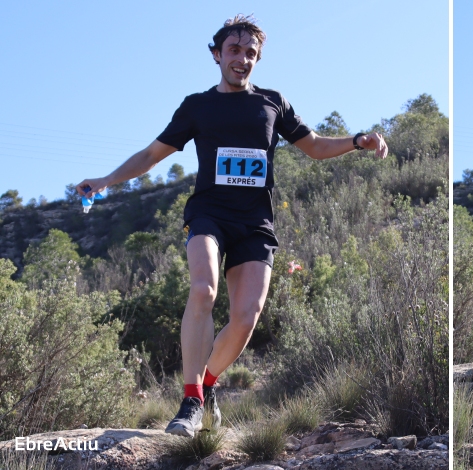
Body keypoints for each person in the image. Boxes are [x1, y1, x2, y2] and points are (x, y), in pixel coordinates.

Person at [75, 15, 388, 438]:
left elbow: (314, 146)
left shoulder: (273, 103)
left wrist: (357, 141)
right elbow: (150, 155)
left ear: (258, 59)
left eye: (251, 53)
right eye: (234, 51)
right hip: (209, 215)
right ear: (217, 55)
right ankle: (189, 402)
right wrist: (106, 180)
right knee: (203, 289)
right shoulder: (197, 106)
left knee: (246, 317)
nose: (242, 59)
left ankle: (207, 384)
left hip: (255, 222)